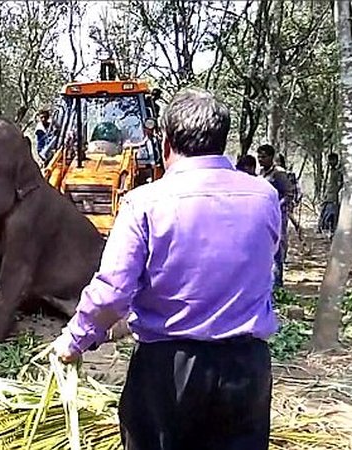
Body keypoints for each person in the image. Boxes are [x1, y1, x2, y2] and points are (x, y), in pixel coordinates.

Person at [51, 88, 279, 450]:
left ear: (167, 143)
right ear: (222, 140)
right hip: (246, 368)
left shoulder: (145, 202)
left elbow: (113, 291)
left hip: (168, 372)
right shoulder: (264, 197)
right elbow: (263, 267)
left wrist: (75, 339)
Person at [257, 144, 293, 288]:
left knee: (277, 248)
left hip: (278, 216)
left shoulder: (279, 173)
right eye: (259, 156)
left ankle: (278, 283)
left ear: (271, 157)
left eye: (263, 157)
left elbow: (289, 194)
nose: (260, 159)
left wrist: (276, 206)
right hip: (263, 215)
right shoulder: (261, 173)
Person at [318, 153, 343, 236]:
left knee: (331, 215)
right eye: (329, 160)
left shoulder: (338, 172)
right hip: (328, 196)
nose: (330, 162)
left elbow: (339, 184)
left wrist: (336, 194)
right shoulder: (331, 171)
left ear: (336, 160)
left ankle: (332, 232)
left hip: (333, 198)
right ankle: (325, 230)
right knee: (325, 213)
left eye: (332, 160)